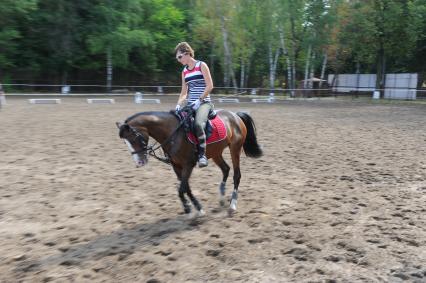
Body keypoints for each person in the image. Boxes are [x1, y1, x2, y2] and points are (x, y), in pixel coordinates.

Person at [175, 42, 214, 168]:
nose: (178, 60)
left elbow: (210, 86)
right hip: (190, 105)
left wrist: (199, 100)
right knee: (176, 122)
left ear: (187, 53)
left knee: (197, 124)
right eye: (177, 58)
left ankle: (202, 155)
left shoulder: (201, 65)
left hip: (204, 103)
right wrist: (178, 104)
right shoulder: (184, 71)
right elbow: (184, 92)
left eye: (179, 57)